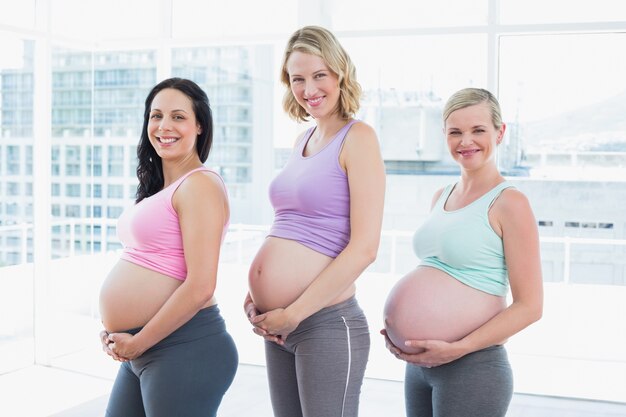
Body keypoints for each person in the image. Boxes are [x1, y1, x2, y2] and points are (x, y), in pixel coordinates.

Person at [244, 26, 386, 417]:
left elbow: (365, 248)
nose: (309, 88)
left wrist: (293, 312)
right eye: (298, 79)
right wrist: (257, 297)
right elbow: (290, 223)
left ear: (340, 74)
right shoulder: (302, 140)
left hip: (323, 321)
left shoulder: (359, 138)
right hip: (279, 326)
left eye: (319, 75)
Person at [382, 88, 543, 417]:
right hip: (418, 367)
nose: (465, 141)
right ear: (444, 135)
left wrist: (458, 348)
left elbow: (531, 306)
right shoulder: (441, 195)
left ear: (500, 132)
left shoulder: (510, 203)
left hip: (472, 365)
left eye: (478, 130)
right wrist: (402, 331)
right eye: (455, 132)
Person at [98, 77, 238, 417]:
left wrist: (138, 340)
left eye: (178, 116)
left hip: (183, 346)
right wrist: (118, 332)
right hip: (141, 348)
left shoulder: (200, 185)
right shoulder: (161, 189)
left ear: (200, 126)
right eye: (155, 115)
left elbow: (202, 286)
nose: (164, 126)